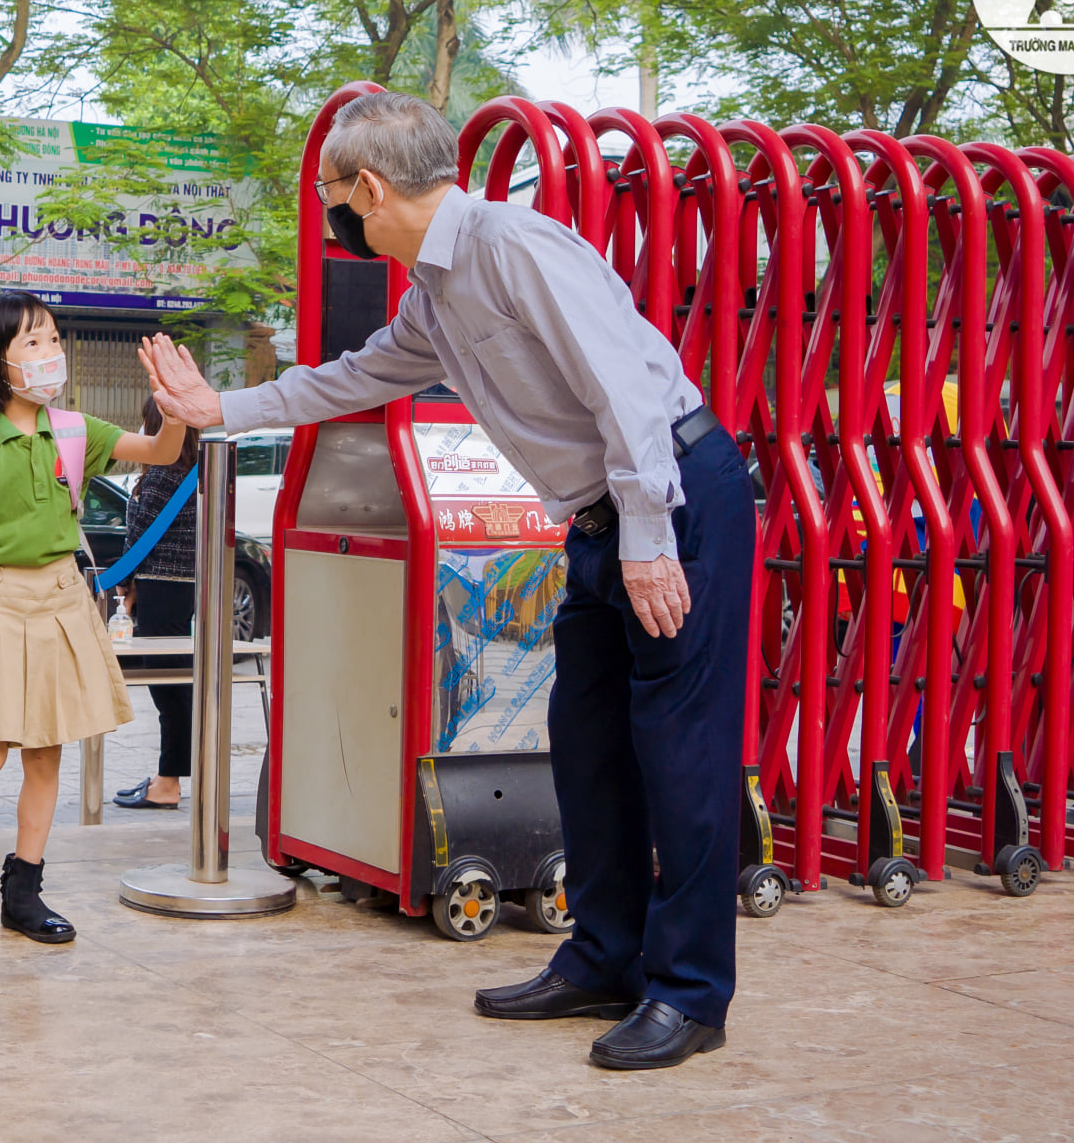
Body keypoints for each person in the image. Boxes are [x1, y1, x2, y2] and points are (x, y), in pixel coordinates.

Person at [144, 90, 755, 1071]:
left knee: (677, 754)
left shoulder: (514, 248)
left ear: (370, 187)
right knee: (585, 741)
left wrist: (646, 537)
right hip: (599, 519)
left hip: (670, 498)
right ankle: (603, 954)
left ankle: (689, 995)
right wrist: (224, 405)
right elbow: (353, 377)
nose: (334, 213)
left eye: (333, 196)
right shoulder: (434, 292)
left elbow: (628, 389)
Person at [0, 292, 186, 943]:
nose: (50, 354)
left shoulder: (74, 431)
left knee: (45, 753)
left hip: (59, 596)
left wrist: (174, 407)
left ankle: (24, 886)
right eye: (33, 343)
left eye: (54, 340)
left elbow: (159, 451)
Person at [111, 395, 199, 810]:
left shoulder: (165, 473)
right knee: (174, 686)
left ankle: (169, 782)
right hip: (178, 587)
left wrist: (121, 583)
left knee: (170, 690)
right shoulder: (195, 470)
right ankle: (170, 777)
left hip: (162, 586)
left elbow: (142, 534)